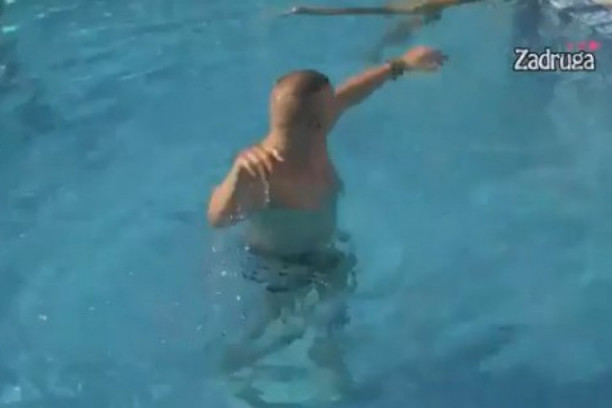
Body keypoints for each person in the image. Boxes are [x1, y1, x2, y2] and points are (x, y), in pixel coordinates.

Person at [206, 45, 446, 405]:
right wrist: (236, 179)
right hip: (279, 273)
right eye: (329, 105)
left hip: (325, 259)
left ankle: (335, 389)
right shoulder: (262, 171)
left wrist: (400, 65)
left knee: (329, 334)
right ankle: (234, 382)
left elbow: (350, 94)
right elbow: (217, 218)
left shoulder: (312, 137)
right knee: (272, 337)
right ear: (316, 121)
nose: (337, 106)